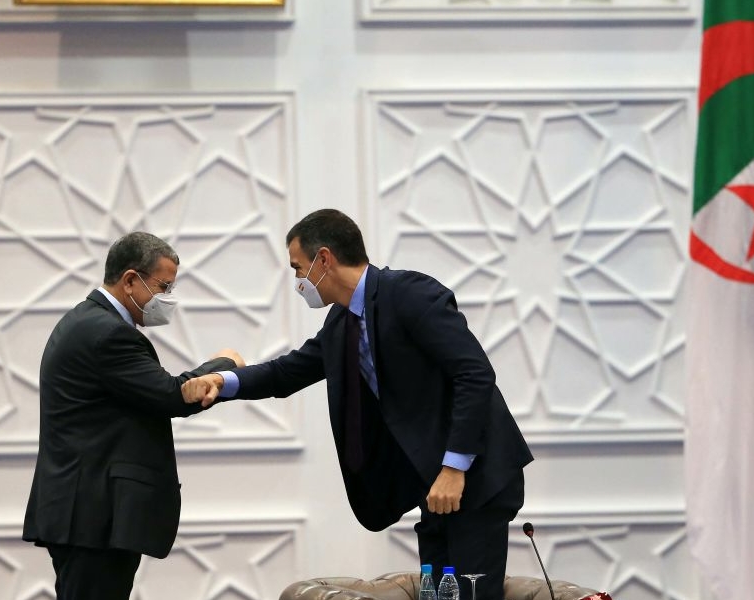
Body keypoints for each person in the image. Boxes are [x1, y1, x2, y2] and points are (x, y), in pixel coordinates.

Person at [181, 209, 533, 600]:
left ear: (324, 259)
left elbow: (475, 374)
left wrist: (454, 467)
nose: (298, 281)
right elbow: (287, 372)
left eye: (298, 268)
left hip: (475, 476)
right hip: (431, 485)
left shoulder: (410, 293)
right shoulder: (342, 322)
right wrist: (222, 381)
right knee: (438, 595)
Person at [23, 232, 244, 600]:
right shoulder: (108, 333)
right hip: (94, 517)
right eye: (163, 286)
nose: (167, 298)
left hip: (82, 513)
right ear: (129, 280)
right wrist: (226, 364)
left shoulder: (86, 320)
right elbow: (171, 395)